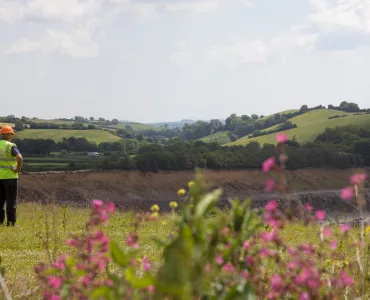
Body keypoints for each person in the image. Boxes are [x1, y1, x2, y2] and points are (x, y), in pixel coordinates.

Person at [0, 125, 23, 226]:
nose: (12, 136)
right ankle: (11, 222)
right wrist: (17, 169)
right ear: (9, 134)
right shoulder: (11, 146)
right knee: (11, 201)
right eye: (12, 134)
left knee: (0, 202)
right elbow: (20, 158)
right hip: (10, 177)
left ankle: (0, 222)